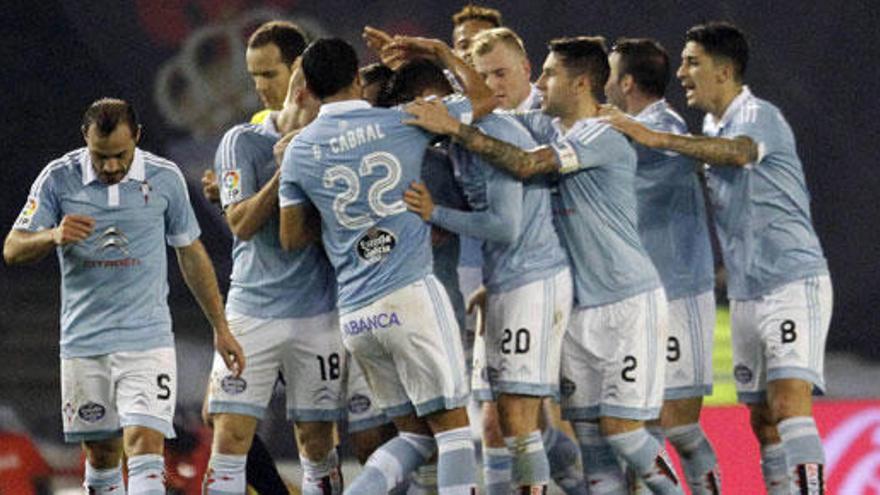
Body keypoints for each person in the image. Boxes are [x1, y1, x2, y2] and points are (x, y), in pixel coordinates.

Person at [404, 36, 685, 494]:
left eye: (550, 74)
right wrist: (442, 57)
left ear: (579, 84)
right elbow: (486, 115)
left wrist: (456, 133)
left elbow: (525, 164)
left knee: (625, 432)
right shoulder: (546, 125)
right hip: (579, 306)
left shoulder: (600, 133)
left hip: (627, 301)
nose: (539, 82)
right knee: (592, 443)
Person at [603, 22, 832, 495]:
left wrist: (657, 140)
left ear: (724, 71)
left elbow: (739, 154)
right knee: (764, 419)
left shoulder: (757, 115)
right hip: (748, 289)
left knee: (789, 405)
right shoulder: (710, 125)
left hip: (792, 280)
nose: (681, 72)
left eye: (692, 62)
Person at [278, 37, 496, 494]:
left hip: (357, 314)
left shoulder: (298, 151)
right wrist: (438, 51)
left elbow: (291, 236)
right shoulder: (403, 122)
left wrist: (344, 224)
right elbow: (483, 99)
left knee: (416, 437)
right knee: (453, 431)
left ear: (310, 90)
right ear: (358, 78)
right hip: (410, 294)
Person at [3, 98, 244, 495]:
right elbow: (13, 248)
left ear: (137, 137)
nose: (112, 166)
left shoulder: (164, 178)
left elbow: (191, 253)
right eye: (101, 157)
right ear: (86, 140)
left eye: (120, 155)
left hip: (147, 340)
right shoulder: (58, 178)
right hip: (85, 344)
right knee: (101, 455)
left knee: (145, 446)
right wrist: (52, 235)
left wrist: (220, 326)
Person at [398, 56, 573, 495]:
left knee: (516, 418)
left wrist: (435, 213)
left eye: (414, 108)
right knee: (503, 420)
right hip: (505, 282)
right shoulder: (455, 146)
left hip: (532, 280)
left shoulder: (494, 133)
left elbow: (504, 226)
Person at [202, 60, 347, 495]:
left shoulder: (333, 143)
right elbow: (241, 223)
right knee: (228, 434)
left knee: (318, 441)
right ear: (304, 94)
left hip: (318, 313)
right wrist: (285, 170)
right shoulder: (243, 141)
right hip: (253, 312)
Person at [467, 27, 587, 495]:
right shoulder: (485, 121)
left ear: (527, 70)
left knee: (542, 416)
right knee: (503, 420)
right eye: (483, 76)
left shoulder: (547, 121)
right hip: (505, 283)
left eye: (501, 73)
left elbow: (521, 174)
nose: (493, 83)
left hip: (552, 284)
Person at [604, 38, 721, 494]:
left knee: (678, 428)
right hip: (641, 298)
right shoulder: (629, 131)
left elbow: (677, 159)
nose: (605, 87)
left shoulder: (662, 127)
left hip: (679, 293)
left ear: (627, 82)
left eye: (611, 77)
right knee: (638, 426)